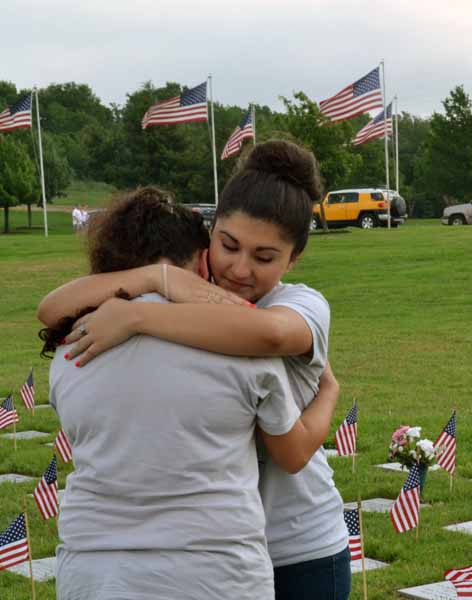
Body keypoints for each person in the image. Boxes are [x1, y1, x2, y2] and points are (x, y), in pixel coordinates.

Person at [39, 141, 350, 599]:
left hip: (296, 541)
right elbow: (50, 309)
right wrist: (153, 278)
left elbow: (268, 335)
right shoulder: (180, 293)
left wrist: (137, 315)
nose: (240, 268)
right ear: (210, 234)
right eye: (228, 245)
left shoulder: (299, 303)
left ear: (293, 259)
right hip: (221, 550)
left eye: (264, 258)